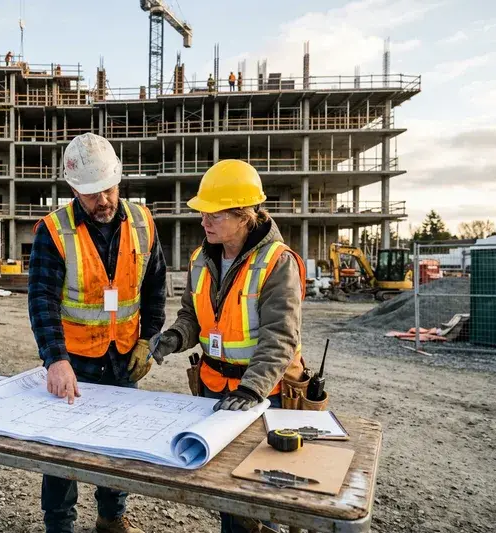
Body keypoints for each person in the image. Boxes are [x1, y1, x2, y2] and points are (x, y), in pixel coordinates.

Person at [148, 159, 306, 533]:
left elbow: (280, 337)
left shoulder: (277, 262)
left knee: (260, 490)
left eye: (214, 215)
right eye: (203, 214)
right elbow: (193, 316)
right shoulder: (202, 260)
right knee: (226, 491)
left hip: (266, 396)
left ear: (244, 216)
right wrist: (174, 337)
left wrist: (251, 388)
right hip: (215, 391)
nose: (204, 223)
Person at [28, 133, 167, 533]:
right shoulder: (53, 231)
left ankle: (111, 517)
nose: (102, 200)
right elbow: (42, 301)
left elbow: (155, 288)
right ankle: (60, 525)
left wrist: (149, 339)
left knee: (117, 447)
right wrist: (55, 359)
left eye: (108, 189)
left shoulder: (143, 223)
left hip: (123, 356)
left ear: (118, 180)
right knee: (61, 450)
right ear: (73, 189)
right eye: (91, 194)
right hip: (75, 361)